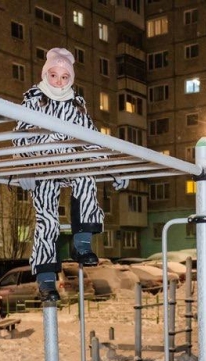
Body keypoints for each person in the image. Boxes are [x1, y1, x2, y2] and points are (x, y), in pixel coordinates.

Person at [13, 48, 123, 302]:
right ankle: (46, 279)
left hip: (69, 162)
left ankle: (81, 243)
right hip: (42, 163)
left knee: (85, 179)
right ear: (45, 75)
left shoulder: (76, 105)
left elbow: (92, 140)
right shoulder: (34, 100)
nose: (59, 82)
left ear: (71, 79)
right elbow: (21, 136)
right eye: (54, 75)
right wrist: (24, 166)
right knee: (47, 219)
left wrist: (113, 167)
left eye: (65, 77)